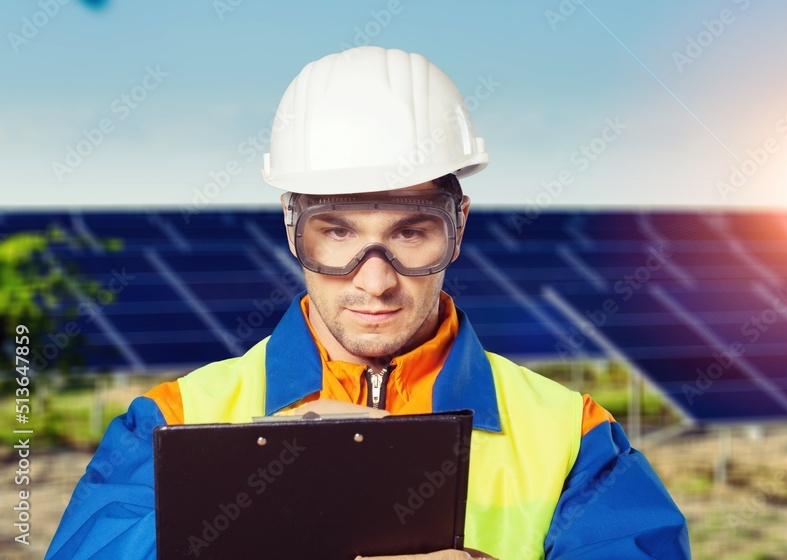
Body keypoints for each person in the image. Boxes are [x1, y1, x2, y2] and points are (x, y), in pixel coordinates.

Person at [46, 46, 690, 560]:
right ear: (293, 228)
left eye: (411, 233)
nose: (375, 281)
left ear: (458, 226)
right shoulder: (171, 424)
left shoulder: (571, 439)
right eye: (338, 233)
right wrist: (251, 507)